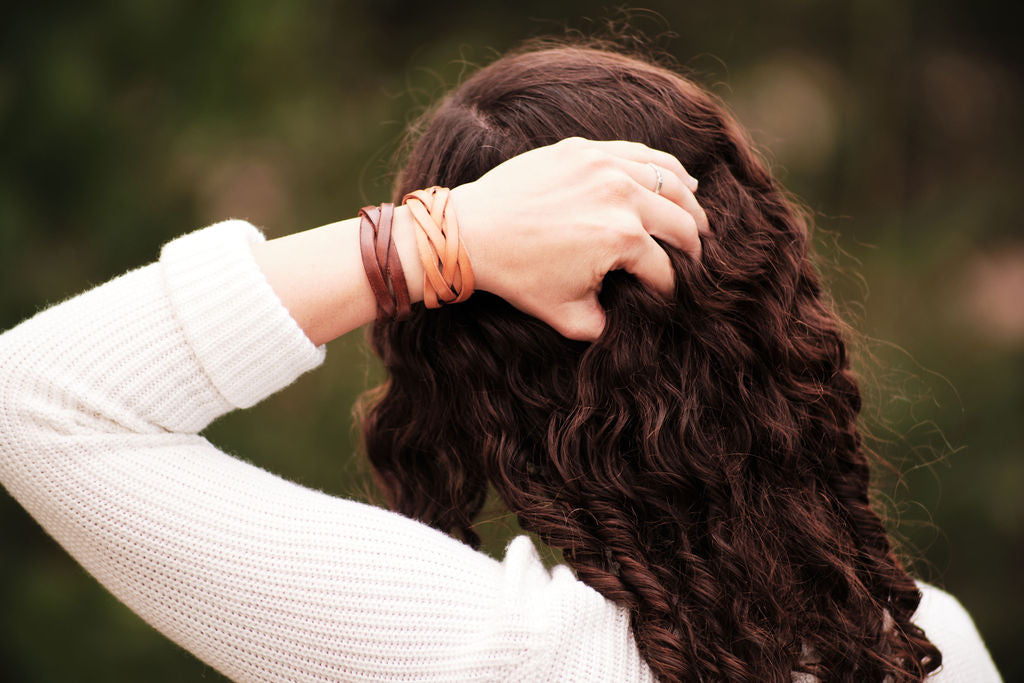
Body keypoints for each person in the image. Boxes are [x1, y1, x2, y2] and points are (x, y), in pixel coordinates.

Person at [0, 40, 999, 683]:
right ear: (773, 302)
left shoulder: (483, 649)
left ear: (451, 369)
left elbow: (35, 400)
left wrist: (438, 240)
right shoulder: (933, 643)